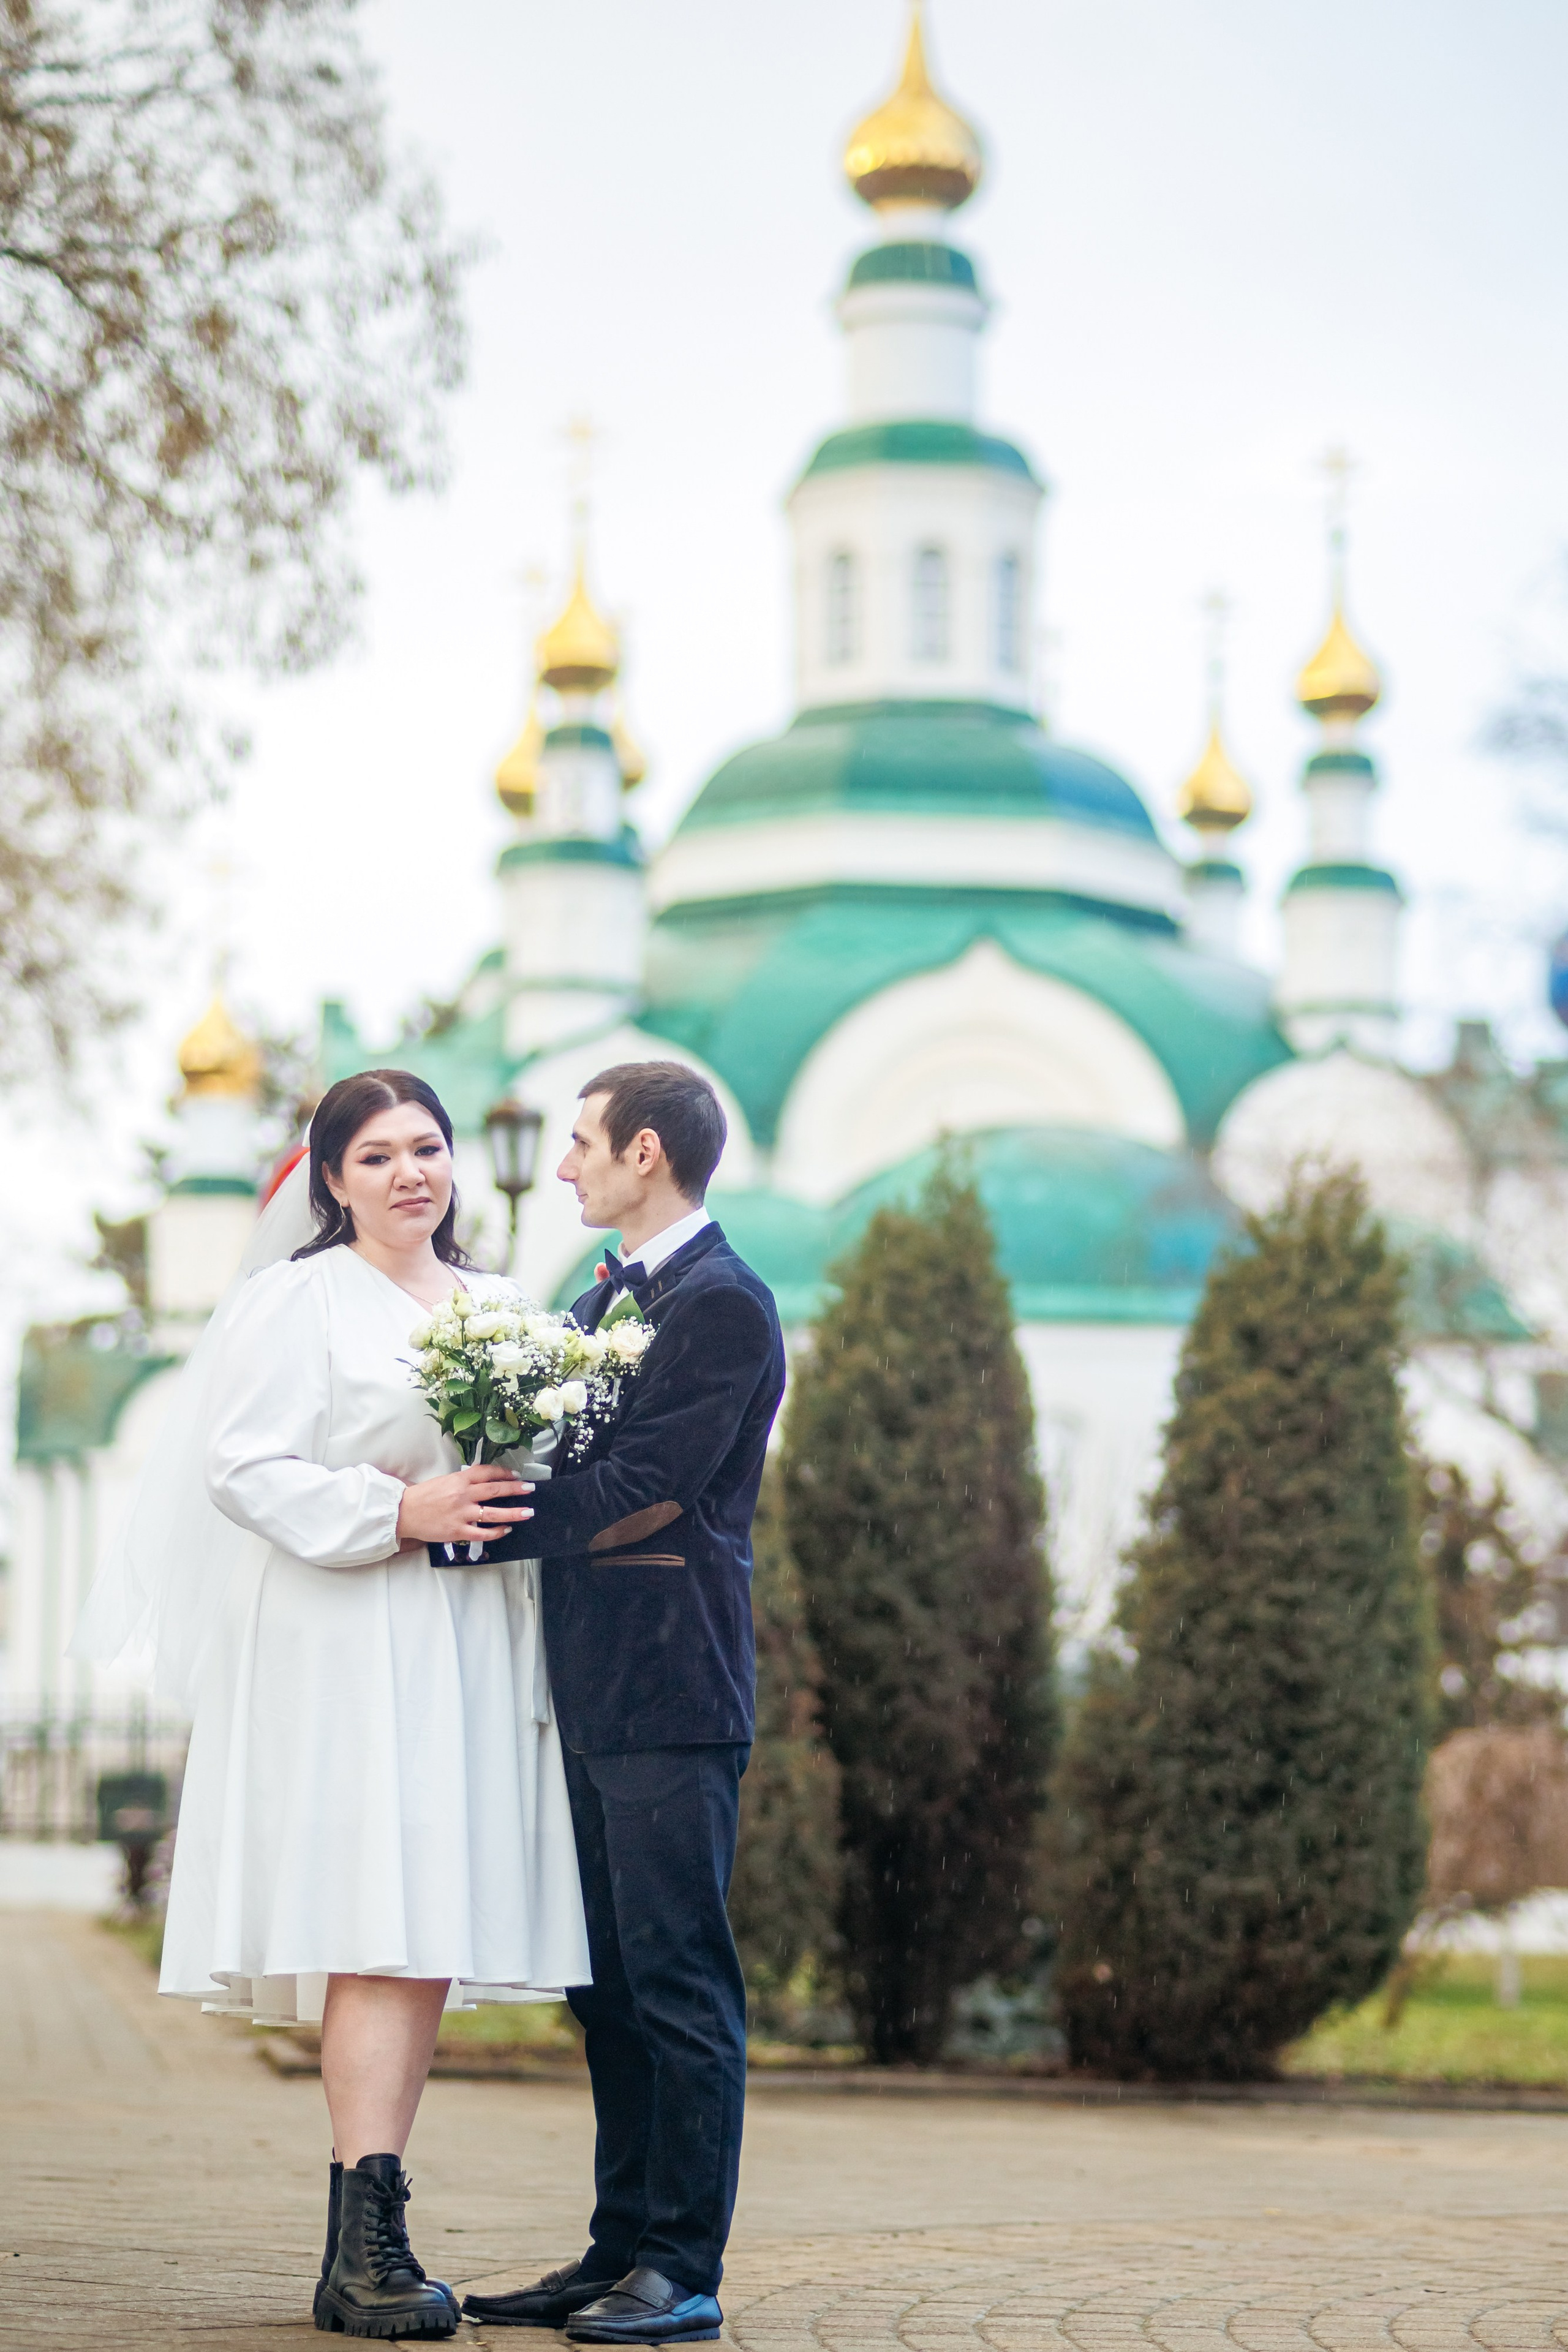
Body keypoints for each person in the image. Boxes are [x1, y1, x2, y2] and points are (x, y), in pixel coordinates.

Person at [75, 1070, 589, 2341]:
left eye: (428, 1147)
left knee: (418, 1933)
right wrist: (393, 1510)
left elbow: (529, 1467)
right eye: (376, 1156)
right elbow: (243, 1465)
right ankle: (365, 2244)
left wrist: (505, 1475)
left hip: (463, 1640)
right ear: (331, 1181)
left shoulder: (502, 1307)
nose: (410, 1172)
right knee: (372, 1919)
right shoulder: (292, 1303)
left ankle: (369, 2235)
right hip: (344, 1632)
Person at [464, 1061, 785, 2347]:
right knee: (602, 1987)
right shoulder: (598, 1295)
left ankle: (682, 2269)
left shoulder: (724, 1307)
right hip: (590, 1688)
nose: (564, 1167)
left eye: (582, 1144)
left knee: (676, 1981)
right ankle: (613, 2253)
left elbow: (648, 1489)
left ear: (646, 1153)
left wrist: (470, 1532)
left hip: (672, 1687)